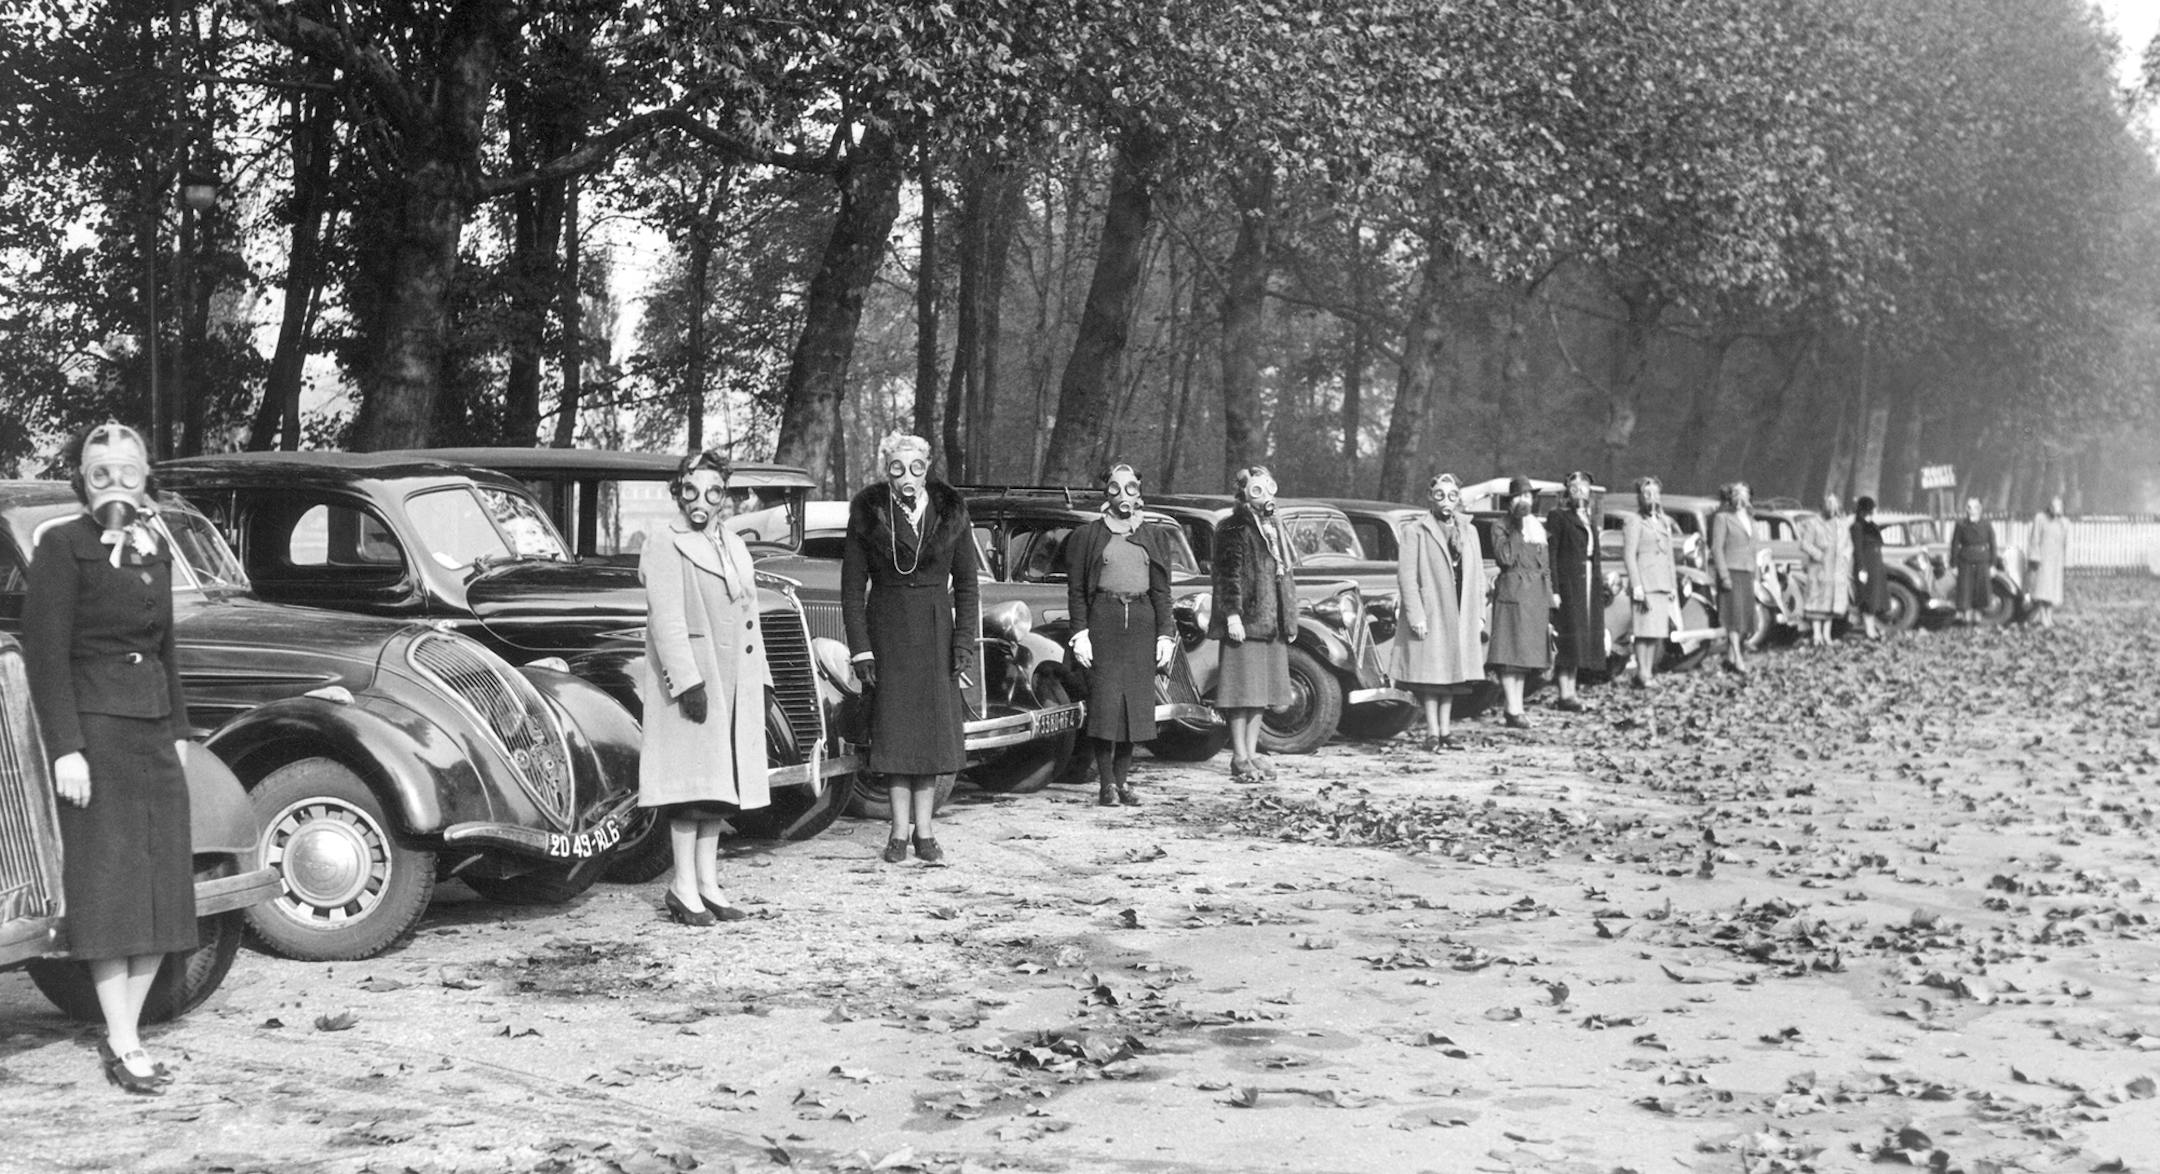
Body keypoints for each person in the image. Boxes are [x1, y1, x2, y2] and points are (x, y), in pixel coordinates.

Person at [23, 423, 196, 1095]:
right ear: (81, 481)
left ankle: (125, 1030)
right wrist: (66, 749)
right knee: (112, 892)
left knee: (162, 892)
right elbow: (45, 658)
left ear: (147, 476)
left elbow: (168, 650)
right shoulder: (61, 547)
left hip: (154, 735)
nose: (117, 485)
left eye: (129, 472)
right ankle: (123, 1039)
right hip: (96, 737)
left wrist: (180, 731)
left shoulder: (156, 546)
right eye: (102, 474)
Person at [637, 450, 770, 926]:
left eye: (713, 492)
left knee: (719, 790)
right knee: (689, 787)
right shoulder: (664, 541)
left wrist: (764, 680)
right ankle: (682, 885)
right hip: (697, 678)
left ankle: (709, 883)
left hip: (734, 681)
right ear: (678, 491)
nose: (701, 501)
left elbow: (750, 616)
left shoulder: (731, 543)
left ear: (723, 496)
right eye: (691, 490)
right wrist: (688, 682)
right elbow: (666, 619)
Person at [843, 433, 979, 863]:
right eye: (898, 468)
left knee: (931, 738)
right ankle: (897, 833)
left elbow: (969, 587)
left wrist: (963, 643)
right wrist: (862, 650)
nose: (907, 476)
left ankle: (926, 832)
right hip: (887, 630)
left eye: (916, 467)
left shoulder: (952, 512)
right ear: (887, 469)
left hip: (937, 631)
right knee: (896, 736)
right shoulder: (868, 513)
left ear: (928, 466)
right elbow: (850, 590)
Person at [1064, 463, 1177, 805]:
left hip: (1142, 621)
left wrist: (1166, 635)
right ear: (1106, 493)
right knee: (1106, 703)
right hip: (1104, 619)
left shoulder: (1154, 536)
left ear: (1140, 492)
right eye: (1116, 488)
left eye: (1131, 488)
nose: (1123, 496)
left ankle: (1124, 782)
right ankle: (1106, 784)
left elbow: (1162, 591)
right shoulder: (1088, 536)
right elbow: (1076, 591)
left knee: (1135, 706)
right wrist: (1080, 632)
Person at [1209, 465, 1299, 782]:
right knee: (1241, 695)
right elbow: (1226, 575)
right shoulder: (1232, 527)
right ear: (1244, 493)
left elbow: (1285, 576)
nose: (1265, 497)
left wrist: (1289, 618)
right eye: (1257, 490)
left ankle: (1251, 753)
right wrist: (1231, 615)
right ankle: (1239, 756)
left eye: (1268, 488)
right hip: (1245, 624)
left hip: (1271, 623)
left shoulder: (1274, 527)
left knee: (1261, 695)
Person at [1393, 473, 1487, 750]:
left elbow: (1478, 575)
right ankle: (1432, 732)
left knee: (1453, 675)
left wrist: (1479, 613)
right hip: (1433, 611)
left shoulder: (1469, 530)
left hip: (1461, 610)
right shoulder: (1416, 531)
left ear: (1459, 498)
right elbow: (1407, 578)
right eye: (1440, 495)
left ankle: (1446, 731)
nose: (1446, 501)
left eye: (1452, 496)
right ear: (1430, 498)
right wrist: (1416, 615)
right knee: (1432, 675)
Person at [1487, 476, 1552, 729]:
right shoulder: (1501, 526)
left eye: (1528, 496)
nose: (1524, 501)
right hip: (1513, 594)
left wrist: (1550, 595)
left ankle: (1516, 708)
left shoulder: (1537, 526)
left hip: (1535, 596)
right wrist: (1516, 526)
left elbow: (1545, 566)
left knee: (1524, 656)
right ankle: (1513, 709)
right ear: (1510, 501)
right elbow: (1505, 558)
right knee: (1510, 654)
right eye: (1519, 496)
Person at [1545, 471, 1602, 712]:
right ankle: (1565, 693)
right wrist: (1555, 589)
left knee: (1581, 636)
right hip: (1569, 584)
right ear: (1568, 492)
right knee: (1569, 636)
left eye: (1584, 488)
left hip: (1588, 581)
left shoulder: (1589, 517)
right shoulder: (1558, 517)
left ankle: (1573, 690)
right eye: (1575, 488)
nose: (1580, 491)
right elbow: (1552, 555)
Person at [1620, 476, 1680, 687]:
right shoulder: (1634, 521)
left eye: (1655, 493)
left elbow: (1670, 556)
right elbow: (1629, 555)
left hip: (1662, 583)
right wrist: (1637, 586)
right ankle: (1643, 673)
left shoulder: (1664, 521)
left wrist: (1672, 585)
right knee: (1643, 631)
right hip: (1644, 584)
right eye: (1647, 494)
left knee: (1655, 632)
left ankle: (1648, 672)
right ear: (1640, 497)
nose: (1652, 498)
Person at [1707, 481, 1763, 674]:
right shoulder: (1722, 518)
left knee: (1744, 618)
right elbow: (1717, 549)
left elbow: (1754, 550)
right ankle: (1738, 658)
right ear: (1731, 498)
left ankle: (1731, 658)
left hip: (1747, 573)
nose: (1740, 500)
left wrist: (1756, 578)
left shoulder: (1752, 520)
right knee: (1732, 617)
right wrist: (1723, 576)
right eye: (1737, 495)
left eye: (1744, 495)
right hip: (1731, 571)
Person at [1793, 492, 1853, 646]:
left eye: (1834, 508)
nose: (1832, 511)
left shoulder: (1841, 525)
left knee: (1831, 605)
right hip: (1819, 569)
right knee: (1816, 603)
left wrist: (1845, 557)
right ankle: (1817, 635)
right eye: (1829, 507)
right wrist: (1818, 555)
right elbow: (1805, 544)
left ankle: (1827, 635)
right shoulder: (1813, 523)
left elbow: (1848, 545)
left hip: (1836, 570)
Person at [1948, 496, 1997, 625]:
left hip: (1982, 561)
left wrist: (1993, 565)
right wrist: (1953, 565)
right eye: (1969, 507)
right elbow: (1954, 544)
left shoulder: (1986, 525)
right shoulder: (1961, 524)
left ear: (1980, 509)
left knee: (1981, 590)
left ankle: (1978, 619)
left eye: (1975, 507)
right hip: (1965, 561)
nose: (1972, 511)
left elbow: (1993, 544)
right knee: (1965, 590)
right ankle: (1966, 619)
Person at [2027, 495, 2069, 628]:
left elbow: (2066, 542)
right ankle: (2042, 616)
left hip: (2056, 560)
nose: (2056, 509)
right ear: (2049, 507)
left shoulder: (2064, 523)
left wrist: (2066, 561)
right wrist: (2035, 557)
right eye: (2053, 506)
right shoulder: (2040, 518)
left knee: (2052, 591)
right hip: (2043, 559)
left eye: (2059, 507)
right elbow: (2034, 539)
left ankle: (2049, 616)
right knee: (2042, 589)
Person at [1850, 495, 1888, 640]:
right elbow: (1858, 550)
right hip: (1866, 566)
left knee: (1875, 599)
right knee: (1867, 599)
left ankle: (1872, 628)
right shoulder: (1857, 527)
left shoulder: (1871, 525)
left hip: (1876, 566)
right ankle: (1869, 630)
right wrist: (1861, 569)